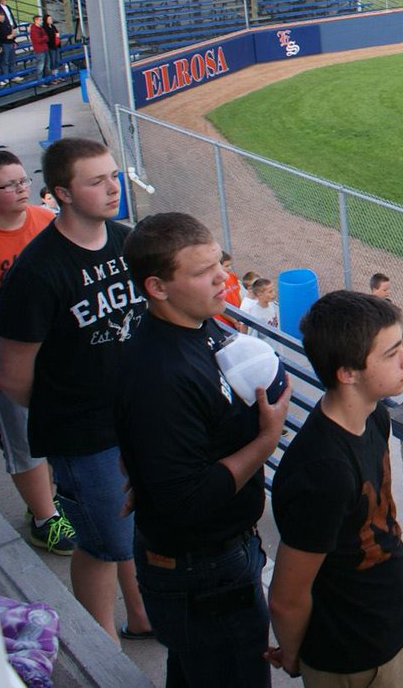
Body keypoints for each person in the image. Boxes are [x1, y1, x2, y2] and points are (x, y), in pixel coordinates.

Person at [116, 212, 291, 687]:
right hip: (198, 569)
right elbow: (189, 499)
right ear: (157, 286)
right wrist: (266, 440)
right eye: (201, 272)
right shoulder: (161, 372)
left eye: (219, 263)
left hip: (223, 553)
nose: (223, 278)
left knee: (198, 673)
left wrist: (147, 469)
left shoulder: (198, 327)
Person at [0, 138, 151, 642]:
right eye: (96, 180)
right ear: (61, 192)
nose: (113, 187)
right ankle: (102, 647)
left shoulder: (126, 242)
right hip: (83, 436)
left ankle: (143, 615)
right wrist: (69, 410)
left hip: (135, 417)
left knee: (131, 531)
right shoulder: (36, 273)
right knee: (103, 543)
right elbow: (14, 376)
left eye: (114, 175)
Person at [267, 291, 403, 686]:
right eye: (392, 353)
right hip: (356, 661)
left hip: (400, 629)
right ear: (347, 372)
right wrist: (294, 657)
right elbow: (286, 597)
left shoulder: (375, 416)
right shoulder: (321, 473)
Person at [0, 151, 76, 555]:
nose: (21, 189)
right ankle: (44, 519)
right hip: (1, 365)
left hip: (56, 356)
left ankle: (58, 498)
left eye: (23, 181)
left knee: (59, 432)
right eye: (8, 185)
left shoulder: (42, 219)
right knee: (24, 445)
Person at [28, 15, 47, 80]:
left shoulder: (41, 28)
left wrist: (44, 38)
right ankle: (40, 80)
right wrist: (44, 38)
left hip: (44, 48)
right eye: (40, 20)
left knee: (45, 66)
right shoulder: (33, 30)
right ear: (36, 21)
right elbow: (38, 40)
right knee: (40, 66)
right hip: (39, 50)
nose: (41, 21)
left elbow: (46, 37)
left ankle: (46, 79)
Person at [44, 15, 62, 82]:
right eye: (49, 19)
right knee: (53, 61)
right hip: (51, 47)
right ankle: (53, 77)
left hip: (56, 45)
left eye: (51, 18)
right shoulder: (45, 28)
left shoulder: (53, 26)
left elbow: (57, 33)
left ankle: (57, 75)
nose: (51, 20)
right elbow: (48, 38)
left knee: (56, 61)